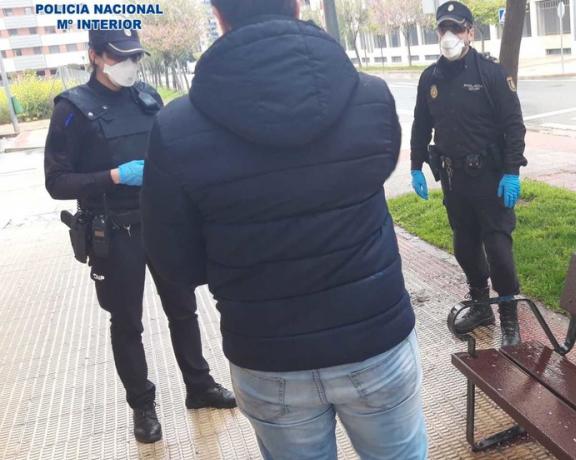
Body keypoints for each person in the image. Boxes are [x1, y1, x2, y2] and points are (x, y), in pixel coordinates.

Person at [140, 0, 427, 458]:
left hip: (266, 353)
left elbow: (173, 261)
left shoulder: (176, 128)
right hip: (374, 339)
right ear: (296, 6)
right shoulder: (370, 97)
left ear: (218, 16)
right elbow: (371, 175)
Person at [44, 29, 236, 444]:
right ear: (95, 56)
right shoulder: (72, 109)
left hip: (162, 222)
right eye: (119, 57)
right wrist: (114, 176)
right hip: (114, 230)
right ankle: (142, 405)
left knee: (184, 309)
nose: (129, 65)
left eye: (134, 57)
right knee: (127, 321)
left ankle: (199, 386)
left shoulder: (147, 97)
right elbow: (56, 181)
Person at [410, 1, 527, 347]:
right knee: (464, 246)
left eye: (456, 28)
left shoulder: (491, 74)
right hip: (454, 179)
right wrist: (415, 166)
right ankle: (481, 306)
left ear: (470, 33)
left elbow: (514, 126)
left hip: (490, 178)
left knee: (498, 248)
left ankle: (509, 316)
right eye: (443, 28)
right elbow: (421, 125)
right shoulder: (430, 78)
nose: (449, 35)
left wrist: (512, 172)